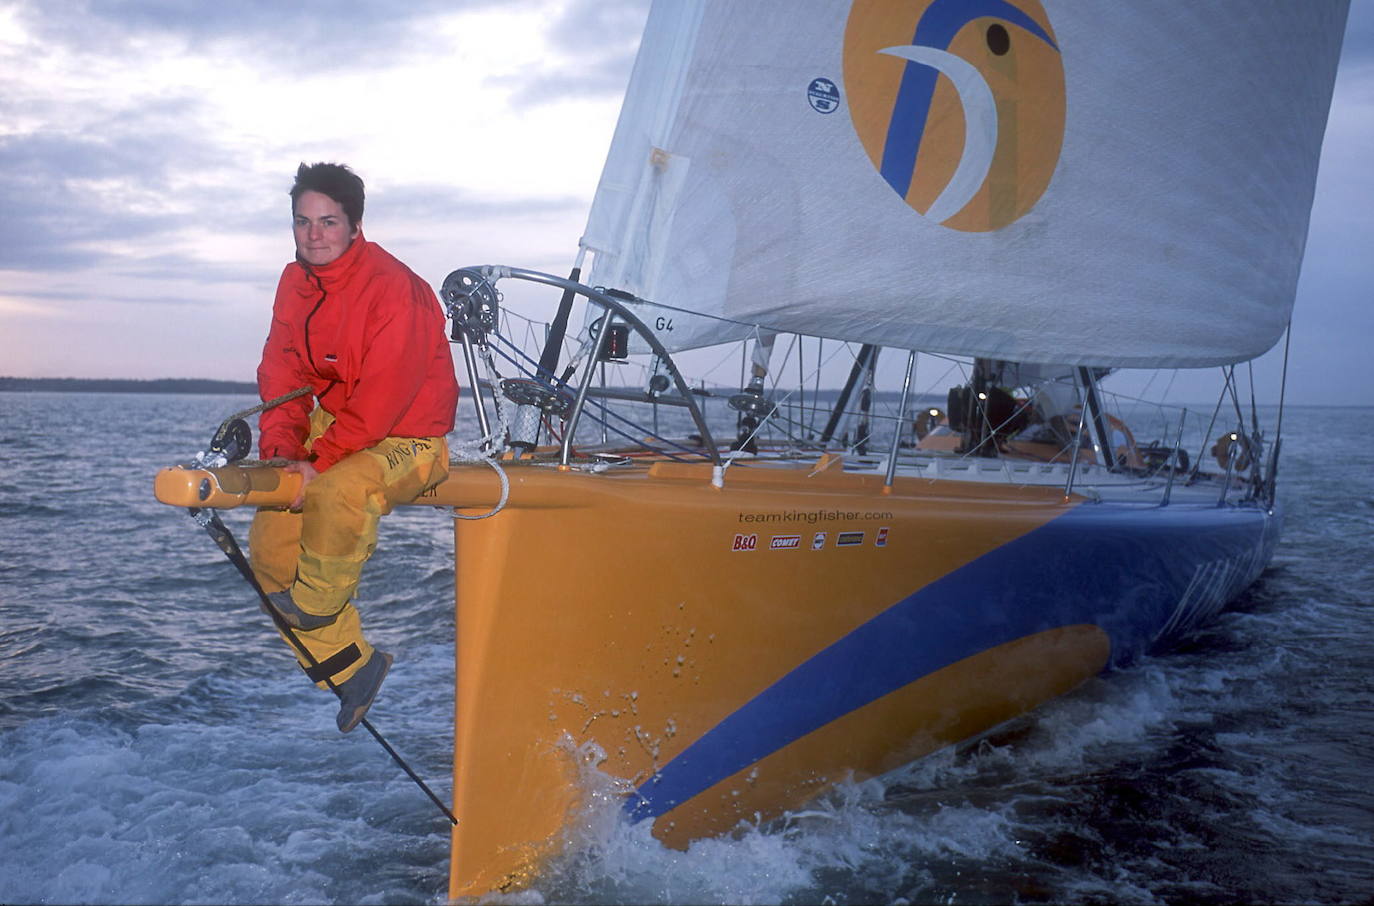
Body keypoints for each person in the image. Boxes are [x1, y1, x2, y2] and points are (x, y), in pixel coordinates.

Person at [248, 162, 458, 732]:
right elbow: (283, 372)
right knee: (271, 551)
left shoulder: (396, 289)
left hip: (409, 434)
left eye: (328, 222)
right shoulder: (295, 283)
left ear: (355, 224)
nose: (314, 235)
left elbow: (384, 397)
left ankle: (316, 607)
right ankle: (352, 670)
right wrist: (284, 452)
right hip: (339, 428)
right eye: (302, 222)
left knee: (340, 492)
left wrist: (318, 464)